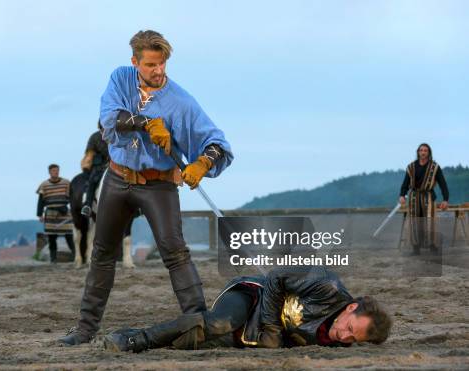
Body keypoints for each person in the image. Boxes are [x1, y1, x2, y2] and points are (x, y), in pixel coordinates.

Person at [58, 30, 233, 346]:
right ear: (135, 62)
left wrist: (202, 164)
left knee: (175, 252)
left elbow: (218, 144)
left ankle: (200, 324)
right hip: (117, 177)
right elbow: (109, 119)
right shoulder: (120, 79)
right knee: (102, 253)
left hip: (158, 185)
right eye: (151, 64)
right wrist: (145, 122)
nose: (158, 71)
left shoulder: (182, 103)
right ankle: (84, 330)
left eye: (162, 63)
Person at [104, 267, 392, 352]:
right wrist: (272, 329)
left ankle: (151, 342)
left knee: (192, 342)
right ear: (350, 308)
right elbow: (278, 276)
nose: (344, 337)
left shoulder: (335, 342)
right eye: (350, 328)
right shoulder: (327, 286)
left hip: (253, 337)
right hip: (252, 294)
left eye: (354, 339)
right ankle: (135, 338)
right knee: (218, 323)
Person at [399, 143, 449, 250]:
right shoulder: (411, 167)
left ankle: (431, 245)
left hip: (428, 196)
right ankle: (416, 247)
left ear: (429, 153)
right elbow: (405, 183)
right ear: (418, 152)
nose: (423, 152)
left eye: (425, 150)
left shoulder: (434, 167)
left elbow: (442, 183)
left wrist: (445, 199)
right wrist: (402, 195)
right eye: (421, 150)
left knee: (429, 220)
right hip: (414, 198)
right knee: (414, 221)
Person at [37, 164, 75, 263]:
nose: (56, 172)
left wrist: (74, 210)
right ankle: (53, 259)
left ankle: (77, 256)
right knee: (52, 238)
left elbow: (72, 198)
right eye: (53, 171)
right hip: (50, 214)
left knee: (69, 236)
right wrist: (40, 214)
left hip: (64, 213)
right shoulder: (44, 185)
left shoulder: (66, 183)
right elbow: (40, 201)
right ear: (49, 172)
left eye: (57, 170)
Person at [80, 121, 110, 217]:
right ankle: (87, 206)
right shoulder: (95, 137)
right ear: (100, 127)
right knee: (93, 180)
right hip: (100, 166)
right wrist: (86, 167)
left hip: (116, 163)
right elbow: (89, 154)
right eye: (103, 127)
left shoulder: (116, 135)